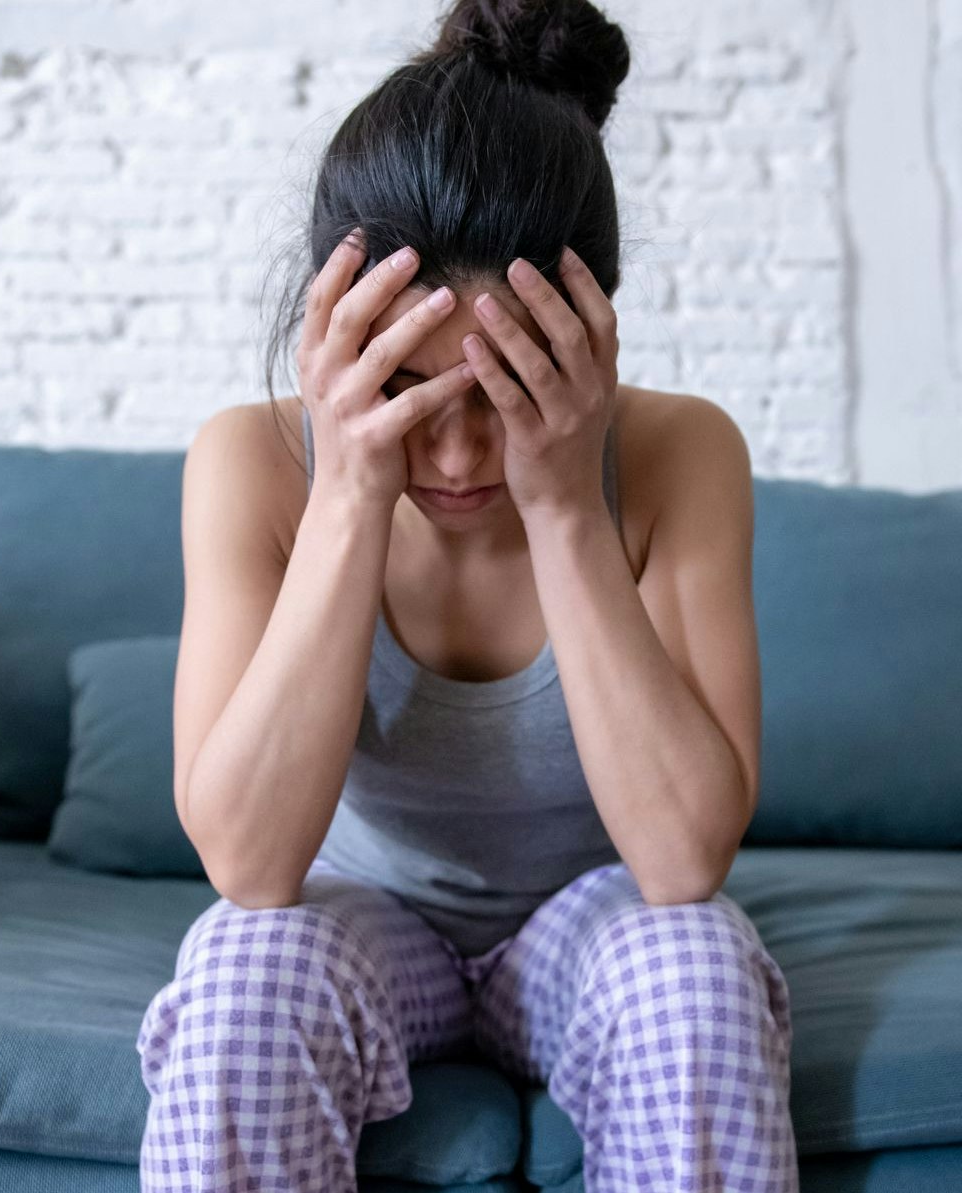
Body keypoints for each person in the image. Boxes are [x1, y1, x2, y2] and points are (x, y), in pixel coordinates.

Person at [135, 1, 798, 1188]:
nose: (453, 457)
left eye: (506, 389)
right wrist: (349, 495)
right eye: (409, 389)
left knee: (696, 965)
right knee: (241, 969)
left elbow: (684, 860)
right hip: (364, 916)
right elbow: (249, 865)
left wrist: (565, 504)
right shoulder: (250, 463)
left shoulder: (682, 453)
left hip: (592, 917)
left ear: (591, 336)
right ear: (336, 340)